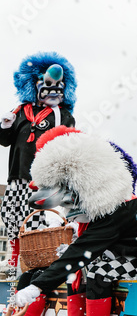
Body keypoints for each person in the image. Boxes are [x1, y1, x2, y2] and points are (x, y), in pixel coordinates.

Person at [13, 126, 137, 316]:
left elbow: (83, 250)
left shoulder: (121, 207)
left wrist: (38, 287)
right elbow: (83, 250)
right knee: (76, 273)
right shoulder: (100, 209)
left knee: (97, 272)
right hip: (118, 256)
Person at [0, 52, 77, 270]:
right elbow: (5, 141)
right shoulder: (22, 111)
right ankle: (14, 257)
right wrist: (5, 125)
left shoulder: (63, 115)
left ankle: (34, 259)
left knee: (35, 219)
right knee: (11, 213)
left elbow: (67, 143)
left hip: (42, 178)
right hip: (16, 175)